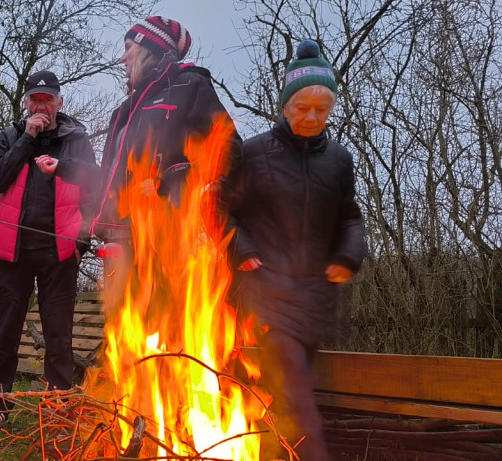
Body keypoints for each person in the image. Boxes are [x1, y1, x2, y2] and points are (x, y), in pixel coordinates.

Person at [221, 40, 367, 461]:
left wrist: (347, 256)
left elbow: (350, 219)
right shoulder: (254, 154)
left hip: (315, 300)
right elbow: (223, 212)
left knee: (287, 400)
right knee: (297, 400)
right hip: (267, 297)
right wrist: (242, 250)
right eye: (303, 107)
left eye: (322, 110)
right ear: (286, 105)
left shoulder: (339, 160)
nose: (312, 118)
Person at [0, 70, 99, 431]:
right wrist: (27, 140)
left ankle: (57, 408)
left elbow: (96, 183)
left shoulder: (75, 139)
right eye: (35, 99)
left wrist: (82, 241)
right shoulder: (11, 136)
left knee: (59, 336)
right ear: (26, 103)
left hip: (59, 253)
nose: (41, 104)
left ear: (60, 103)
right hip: (12, 253)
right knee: (5, 333)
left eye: (48, 99)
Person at [93, 15, 240, 251]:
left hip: (171, 235)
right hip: (120, 239)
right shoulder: (123, 111)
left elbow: (229, 152)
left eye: (129, 48)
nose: (122, 59)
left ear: (149, 50)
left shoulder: (189, 86)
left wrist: (168, 183)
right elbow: (108, 176)